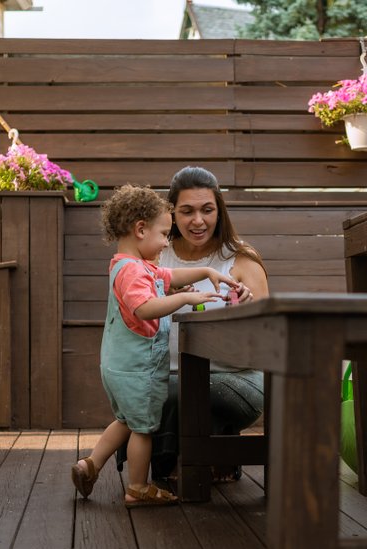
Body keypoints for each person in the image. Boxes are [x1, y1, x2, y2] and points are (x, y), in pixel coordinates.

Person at [70, 184, 240, 507]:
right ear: (140, 230)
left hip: (120, 366)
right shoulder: (133, 272)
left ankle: (89, 465)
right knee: (144, 430)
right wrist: (185, 298)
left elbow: (168, 275)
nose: (166, 242)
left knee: (126, 422)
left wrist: (205, 271)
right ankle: (138, 488)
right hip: (137, 369)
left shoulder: (133, 266)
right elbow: (145, 308)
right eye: (164, 234)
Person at [147, 166, 270, 483]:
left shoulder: (241, 259)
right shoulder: (157, 259)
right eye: (186, 211)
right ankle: (211, 456)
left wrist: (246, 313)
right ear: (171, 213)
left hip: (236, 378)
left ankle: (183, 463)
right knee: (168, 386)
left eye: (207, 210)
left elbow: (268, 339)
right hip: (166, 375)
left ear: (220, 211)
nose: (197, 221)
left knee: (184, 388)